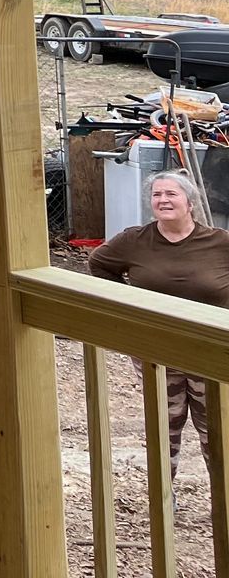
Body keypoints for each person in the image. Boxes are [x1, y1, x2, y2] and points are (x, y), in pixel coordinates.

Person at [89, 170, 229, 472]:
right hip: (156, 349)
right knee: (165, 426)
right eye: (157, 195)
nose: (163, 200)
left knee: (217, 428)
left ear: (189, 202)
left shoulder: (220, 243)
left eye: (171, 194)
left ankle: (224, 500)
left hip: (211, 350)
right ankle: (165, 498)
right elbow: (98, 263)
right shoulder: (134, 240)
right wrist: (128, 305)